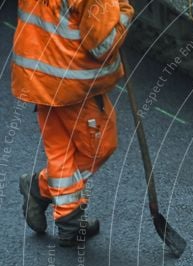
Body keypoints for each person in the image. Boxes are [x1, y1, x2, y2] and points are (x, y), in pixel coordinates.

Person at [13, 0, 134, 246]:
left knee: (61, 150)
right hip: (73, 86)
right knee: (99, 146)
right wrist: (124, 13)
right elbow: (102, 45)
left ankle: (67, 218)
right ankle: (41, 188)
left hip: (39, 77)